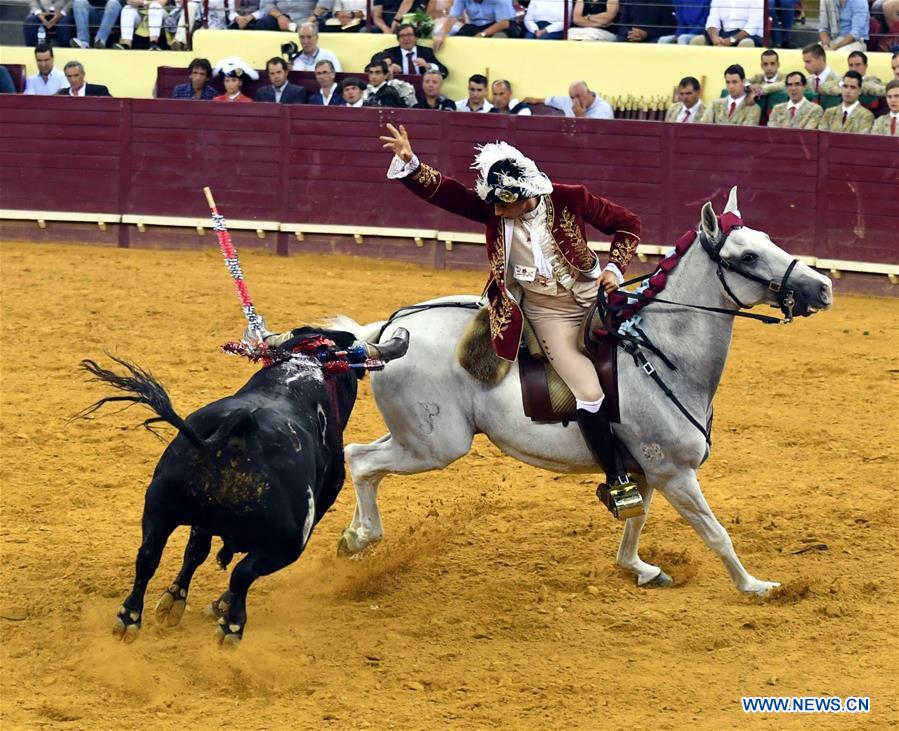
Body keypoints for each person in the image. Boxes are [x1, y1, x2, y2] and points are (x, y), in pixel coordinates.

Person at [379, 122, 645, 520]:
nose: (496, 212)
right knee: (588, 391)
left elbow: (628, 225)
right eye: (495, 205)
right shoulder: (493, 208)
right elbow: (449, 194)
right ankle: (618, 479)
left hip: (593, 295)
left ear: (527, 196)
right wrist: (412, 163)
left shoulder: (571, 198)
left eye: (504, 205)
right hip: (546, 312)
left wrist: (616, 269)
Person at [433, 0, 517, 50]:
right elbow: (453, 17)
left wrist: (483, 34)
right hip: (475, 25)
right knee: (460, 38)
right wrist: (441, 35)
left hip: (501, 25)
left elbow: (503, 23)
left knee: (499, 38)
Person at [382, 23, 448, 77]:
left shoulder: (426, 51)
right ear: (398, 40)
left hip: (422, 88)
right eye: (402, 36)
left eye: (409, 35)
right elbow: (375, 69)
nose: (406, 38)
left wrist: (427, 65)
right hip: (398, 90)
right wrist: (388, 68)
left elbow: (444, 72)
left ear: (416, 37)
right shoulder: (390, 53)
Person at [525, 81, 613, 120]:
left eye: (579, 96)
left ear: (588, 92)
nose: (575, 101)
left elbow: (593, 135)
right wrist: (537, 100)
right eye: (572, 97)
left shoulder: (603, 108)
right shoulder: (569, 101)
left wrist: (580, 116)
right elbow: (554, 100)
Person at [690, 0, 763, 46]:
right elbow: (712, 21)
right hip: (725, 36)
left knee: (746, 43)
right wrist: (714, 38)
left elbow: (751, 28)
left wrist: (731, 40)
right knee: (697, 40)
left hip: (746, 36)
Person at [255, 0, 335, 32]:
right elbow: (267, 4)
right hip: (282, 18)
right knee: (263, 23)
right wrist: (280, 17)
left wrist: (314, 16)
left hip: (308, 18)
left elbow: (326, 2)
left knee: (314, 27)